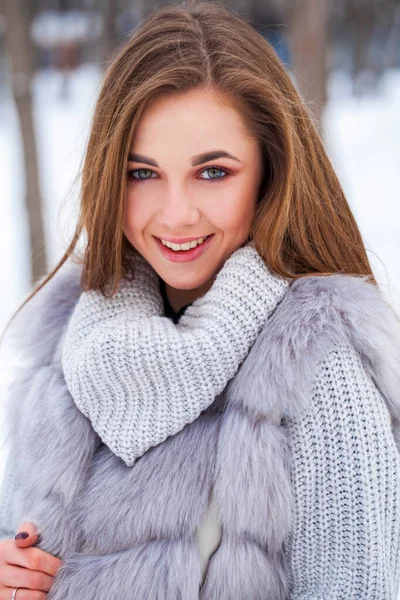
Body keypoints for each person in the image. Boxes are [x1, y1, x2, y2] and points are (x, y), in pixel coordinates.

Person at [1, 1, 400, 598]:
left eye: (213, 172)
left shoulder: (318, 376)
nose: (176, 214)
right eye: (143, 173)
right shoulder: (66, 353)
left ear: (271, 172)